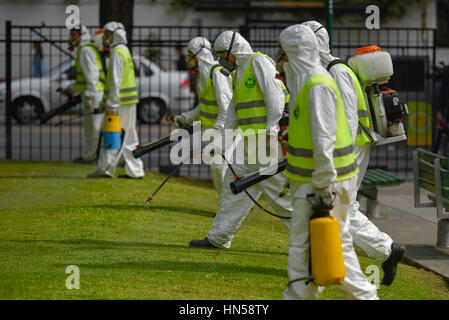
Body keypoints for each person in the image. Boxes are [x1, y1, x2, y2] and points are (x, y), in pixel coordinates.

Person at [278, 24, 378, 300]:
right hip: (316, 181)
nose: (279, 58)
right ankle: (360, 296)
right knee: (333, 245)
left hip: (321, 183)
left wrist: (322, 185)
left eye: (283, 51)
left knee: (304, 245)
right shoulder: (309, 82)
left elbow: (324, 143)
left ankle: (301, 295)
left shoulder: (317, 85)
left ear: (293, 52)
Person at [302, 20, 404, 286]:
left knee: (337, 206)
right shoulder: (327, 69)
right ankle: (383, 251)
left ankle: (379, 252)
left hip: (351, 147)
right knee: (338, 205)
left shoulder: (337, 70)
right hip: (350, 146)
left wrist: (333, 153)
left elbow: (346, 117)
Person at [189, 30, 292, 249]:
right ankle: (218, 238)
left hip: (263, 143)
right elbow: (233, 114)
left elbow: (275, 99)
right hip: (247, 144)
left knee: (281, 198)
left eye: (224, 54)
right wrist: (220, 143)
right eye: (218, 55)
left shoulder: (259, 62)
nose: (222, 60)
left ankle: (312, 242)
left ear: (235, 48)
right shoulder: (237, 73)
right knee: (232, 189)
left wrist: (270, 133)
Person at [172, 37, 232, 193]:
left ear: (199, 55)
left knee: (221, 168)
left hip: (221, 131)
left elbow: (225, 105)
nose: (187, 58)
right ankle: (226, 205)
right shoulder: (202, 76)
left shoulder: (217, 74)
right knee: (217, 169)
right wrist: (186, 117)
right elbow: (204, 105)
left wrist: (219, 131)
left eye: (190, 53)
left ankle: (230, 206)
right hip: (210, 130)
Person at [87, 22, 145, 179]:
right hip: (128, 102)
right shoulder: (124, 50)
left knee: (112, 135)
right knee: (130, 137)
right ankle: (136, 171)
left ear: (114, 35)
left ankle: (105, 170)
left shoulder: (117, 52)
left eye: (106, 33)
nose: (104, 37)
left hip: (119, 104)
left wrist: (111, 105)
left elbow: (115, 81)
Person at [68, 25, 106, 164]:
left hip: (94, 95)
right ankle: (92, 155)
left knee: (94, 128)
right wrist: (71, 88)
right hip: (94, 93)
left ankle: (92, 157)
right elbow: (84, 77)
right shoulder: (86, 49)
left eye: (73, 35)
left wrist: (89, 95)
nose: (71, 38)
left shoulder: (85, 50)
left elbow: (92, 74)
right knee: (92, 127)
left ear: (81, 35)